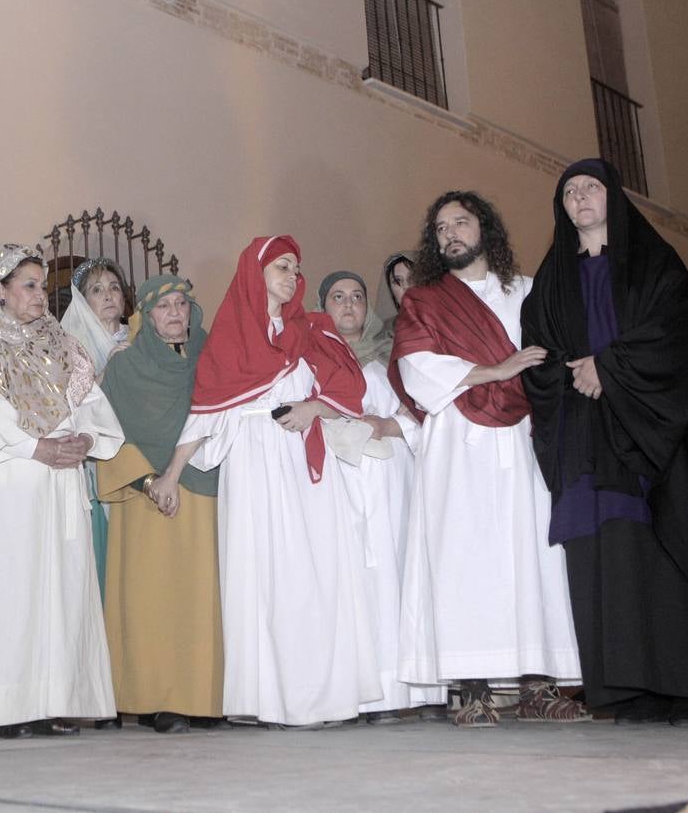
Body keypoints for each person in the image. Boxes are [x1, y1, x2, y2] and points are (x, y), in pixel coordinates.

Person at [151, 236, 381, 728]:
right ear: (255, 272)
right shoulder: (231, 338)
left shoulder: (313, 329)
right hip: (254, 463)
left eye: (296, 268)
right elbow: (205, 414)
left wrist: (313, 407)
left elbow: (349, 388)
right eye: (281, 266)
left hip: (303, 460)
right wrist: (171, 474)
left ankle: (327, 696)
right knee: (264, 575)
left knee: (316, 574)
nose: (292, 275)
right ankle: (271, 700)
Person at [521, 159, 688, 727]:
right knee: (598, 555)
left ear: (613, 198)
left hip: (642, 434)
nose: (579, 198)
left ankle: (678, 691)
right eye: (569, 192)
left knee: (650, 549)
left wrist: (610, 368)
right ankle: (622, 692)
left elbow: (679, 332)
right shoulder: (553, 279)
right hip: (583, 438)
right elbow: (537, 353)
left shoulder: (655, 265)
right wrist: (574, 373)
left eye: (591, 187)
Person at [389, 192, 586, 727]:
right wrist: (497, 371)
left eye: (461, 221)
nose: (450, 232)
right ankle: (471, 689)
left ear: (486, 229)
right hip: (458, 444)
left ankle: (539, 685)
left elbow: (553, 356)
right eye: (441, 226)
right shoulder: (424, 300)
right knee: (463, 559)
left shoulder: (525, 291)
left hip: (523, 440)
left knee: (532, 555)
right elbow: (415, 367)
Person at [0, 243, 125, 739]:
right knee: (9, 589)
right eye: (30, 286)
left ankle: (52, 702)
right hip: (5, 480)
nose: (41, 296)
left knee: (60, 591)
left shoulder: (62, 345)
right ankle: (7, 708)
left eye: (43, 286)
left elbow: (92, 404)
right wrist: (34, 447)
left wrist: (85, 438)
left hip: (59, 482)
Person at [97, 274, 223, 735]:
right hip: (146, 496)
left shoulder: (214, 360)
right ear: (146, 317)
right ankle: (157, 700)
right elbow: (108, 435)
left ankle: (206, 697)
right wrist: (150, 480)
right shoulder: (125, 369)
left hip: (204, 490)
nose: (175, 313)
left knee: (202, 599)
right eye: (163, 306)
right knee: (152, 601)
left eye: (182, 304)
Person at [317, 271, 445, 724]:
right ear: (323, 307)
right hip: (340, 479)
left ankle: (419, 690)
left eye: (357, 297)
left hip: (393, 476)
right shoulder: (312, 358)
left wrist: (386, 426)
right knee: (353, 580)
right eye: (338, 297)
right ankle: (368, 696)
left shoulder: (394, 355)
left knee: (401, 573)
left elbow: (420, 411)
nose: (349, 305)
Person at [59, 257, 130, 612]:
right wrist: (110, 372)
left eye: (114, 287)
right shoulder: (69, 347)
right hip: (93, 463)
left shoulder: (139, 339)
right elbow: (67, 404)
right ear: (82, 301)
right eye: (97, 290)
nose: (108, 296)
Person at [374, 251, 415, 335]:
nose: (406, 287)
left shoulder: (444, 325)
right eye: (398, 281)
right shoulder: (382, 337)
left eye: (412, 279)